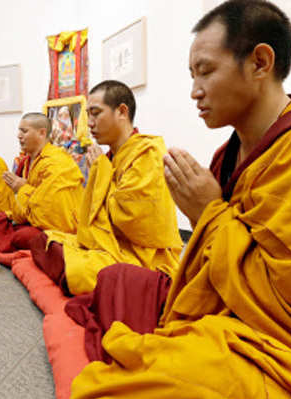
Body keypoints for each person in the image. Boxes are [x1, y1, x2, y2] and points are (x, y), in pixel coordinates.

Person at [66, 0, 291, 399]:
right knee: (116, 283)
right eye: (192, 75)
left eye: (205, 72)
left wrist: (208, 212)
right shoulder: (224, 157)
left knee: (121, 394)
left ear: (260, 63)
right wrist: (209, 217)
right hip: (235, 318)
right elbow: (206, 267)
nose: (194, 91)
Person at [31, 80, 182, 295]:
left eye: (95, 113)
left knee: (87, 271)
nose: (89, 123)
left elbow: (133, 220)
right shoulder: (109, 157)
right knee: (43, 240)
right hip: (108, 245)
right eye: (88, 115)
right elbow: (89, 214)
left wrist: (100, 172)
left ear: (121, 111)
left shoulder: (146, 153)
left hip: (141, 254)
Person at [0, 113, 84, 252]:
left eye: (24, 131)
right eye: (19, 131)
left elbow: (53, 210)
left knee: (23, 237)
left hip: (60, 228)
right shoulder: (28, 162)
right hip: (35, 219)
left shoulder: (57, 161)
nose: (19, 135)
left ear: (42, 133)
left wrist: (22, 188)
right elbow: (26, 204)